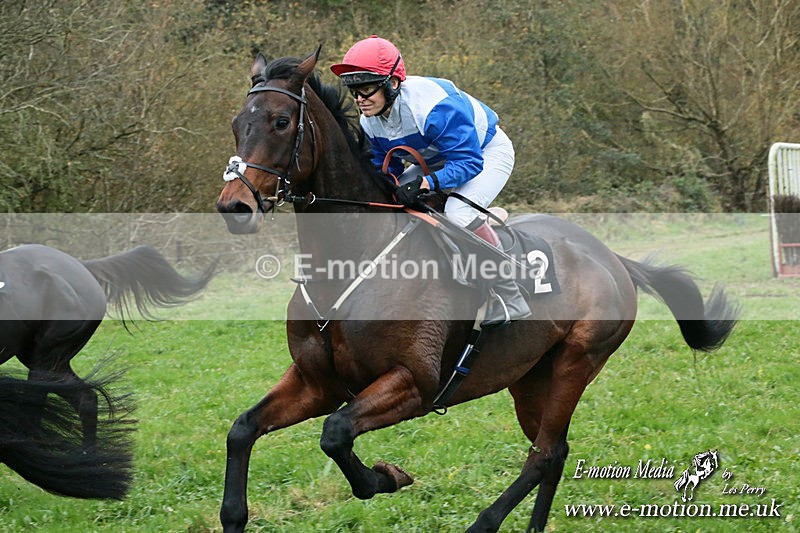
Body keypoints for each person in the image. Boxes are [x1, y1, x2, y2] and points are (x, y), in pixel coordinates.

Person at [330, 35, 531, 327]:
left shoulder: (433, 106)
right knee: (392, 202)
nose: (360, 98)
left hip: (486, 153)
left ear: (393, 83)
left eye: (367, 88)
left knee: (458, 214)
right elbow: (385, 167)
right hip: (437, 159)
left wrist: (426, 184)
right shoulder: (369, 119)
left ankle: (509, 293)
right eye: (354, 89)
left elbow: (469, 162)